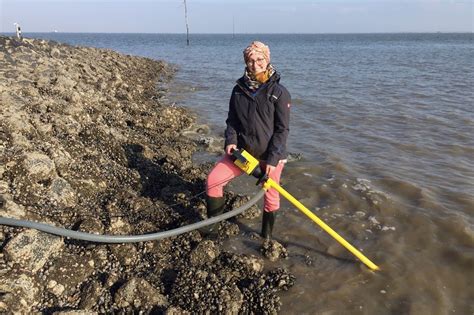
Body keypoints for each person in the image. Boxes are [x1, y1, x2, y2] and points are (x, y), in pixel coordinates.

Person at [205, 41, 291, 239]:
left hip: (270, 158)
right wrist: (230, 141)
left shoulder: (279, 92)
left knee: (270, 198)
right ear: (246, 62)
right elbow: (232, 120)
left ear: (267, 60)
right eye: (250, 60)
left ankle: (266, 238)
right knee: (213, 181)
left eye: (259, 59)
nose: (255, 64)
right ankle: (213, 231)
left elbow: (282, 130)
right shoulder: (238, 90)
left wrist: (272, 159)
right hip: (242, 154)